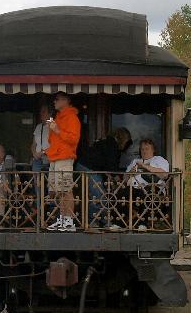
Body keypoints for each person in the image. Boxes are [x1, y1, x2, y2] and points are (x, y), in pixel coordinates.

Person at [76, 127, 131, 227]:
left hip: (85, 166)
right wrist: (119, 181)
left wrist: (112, 178)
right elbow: (111, 167)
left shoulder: (106, 141)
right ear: (124, 139)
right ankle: (93, 222)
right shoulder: (112, 145)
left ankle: (103, 221)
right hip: (89, 168)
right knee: (99, 196)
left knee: (100, 196)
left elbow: (105, 164)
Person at [45, 92, 81, 231]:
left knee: (65, 190)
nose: (54, 102)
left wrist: (57, 130)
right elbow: (52, 139)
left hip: (64, 157)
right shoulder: (58, 117)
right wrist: (52, 129)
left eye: (57, 99)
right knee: (58, 191)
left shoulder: (72, 117)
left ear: (65, 100)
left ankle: (69, 221)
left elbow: (74, 139)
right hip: (54, 157)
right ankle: (62, 219)